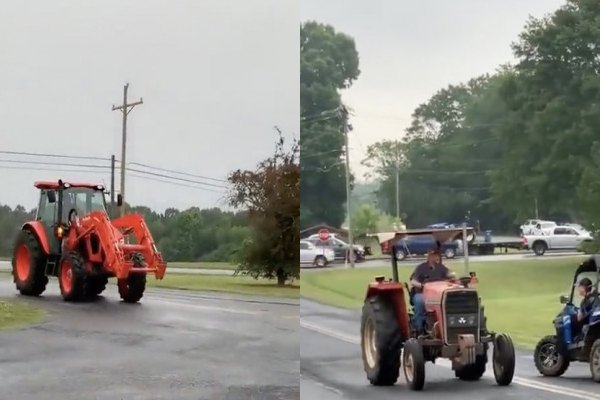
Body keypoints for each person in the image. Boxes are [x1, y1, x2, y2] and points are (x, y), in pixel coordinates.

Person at [409, 249, 451, 333]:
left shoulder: (441, 268)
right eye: (432, 255)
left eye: (436, 254)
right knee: (420, 301)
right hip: (423, 293)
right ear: (428, 256)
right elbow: (413, 281)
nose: (435, 256)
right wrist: (421, 285)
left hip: (438, 294)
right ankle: (419, 328)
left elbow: (450, 277)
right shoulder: (421, 268)